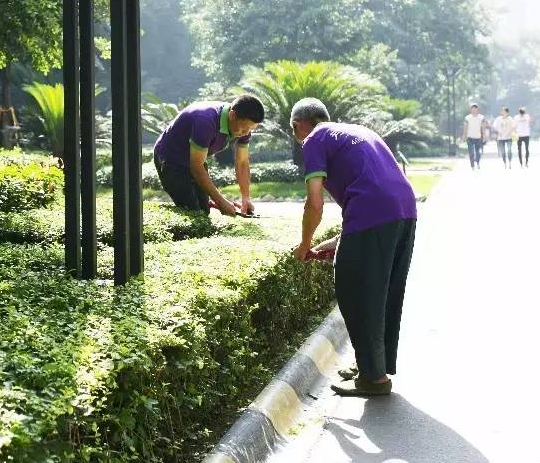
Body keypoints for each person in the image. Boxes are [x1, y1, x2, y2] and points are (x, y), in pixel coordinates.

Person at [290, 98, 418, 398]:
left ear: (298, 125)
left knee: (355, 291)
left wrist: (305, 244)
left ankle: (373, 380)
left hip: (373, 213)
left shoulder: (313, 139)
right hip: (405, 210)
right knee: (385, 291)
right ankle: (373, 366)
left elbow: (315, 202)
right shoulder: (355, 131)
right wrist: (339, 241)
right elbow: (374, 185)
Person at [151, 95, 264, 216]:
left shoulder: (243, 129)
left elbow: (242, 162)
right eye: (244, 128)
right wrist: (221, 201)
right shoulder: (205, 120)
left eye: (251, 129)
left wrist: (246, 198)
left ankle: (203, 203)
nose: (246, 133)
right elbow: (196, 166)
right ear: (232, 115)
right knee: (193, 211)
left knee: (204, 211)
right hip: (170, 158)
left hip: (195, 159)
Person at [462, 103, 487, 170]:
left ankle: (478, 162)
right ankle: (472, 165)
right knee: (471, 152)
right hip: (469, 137)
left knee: (478, 152)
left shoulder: (481, 117)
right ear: (470, 110)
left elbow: (483, 127)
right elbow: (465, 127)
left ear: (477, 109)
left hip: (478, 137)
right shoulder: (467, 118)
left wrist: (484, 135)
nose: (473, 110)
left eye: (475, 109)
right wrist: (464, 135)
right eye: (472, 109)